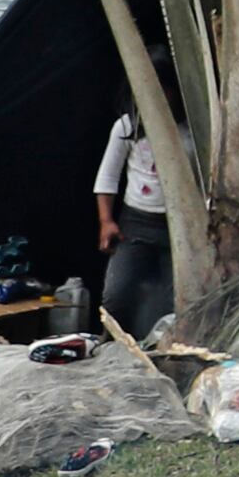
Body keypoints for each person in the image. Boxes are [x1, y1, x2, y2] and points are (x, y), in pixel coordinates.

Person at [92, 114, 172, 338]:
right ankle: (110, 347)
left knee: (174, 303)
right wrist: (106, 221)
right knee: (117, 295)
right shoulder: (129, 125)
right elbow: (107, 176)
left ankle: (165, 356)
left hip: (177, 225)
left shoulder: (195, 123)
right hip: (136, 221)